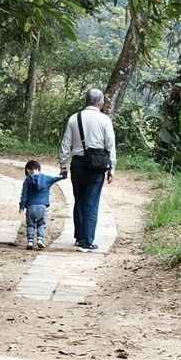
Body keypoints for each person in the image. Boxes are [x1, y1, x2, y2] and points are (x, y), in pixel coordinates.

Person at [59, 88, 116, 252]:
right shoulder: (105, 120)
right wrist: (111, 169)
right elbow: (110, 146)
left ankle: (79, 237)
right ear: (102, 103)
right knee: (92, 202)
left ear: (85, 101)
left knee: (79, 200)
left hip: (77, 164)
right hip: (97, 165)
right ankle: (86, 241)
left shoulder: (74, 118)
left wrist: (63, 165)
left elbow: (65, 144)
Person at [19, 160, 67, 250]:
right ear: (38, 169)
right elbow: (56, 178)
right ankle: (40, 239)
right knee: (41, 224)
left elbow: (24, 195)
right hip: (42, 207)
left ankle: (30, 241)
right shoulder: (47, 178)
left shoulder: (27, 180)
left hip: (30, 207)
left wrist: (22, 207)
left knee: (30, 225)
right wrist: (63, 175)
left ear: (28, 171)